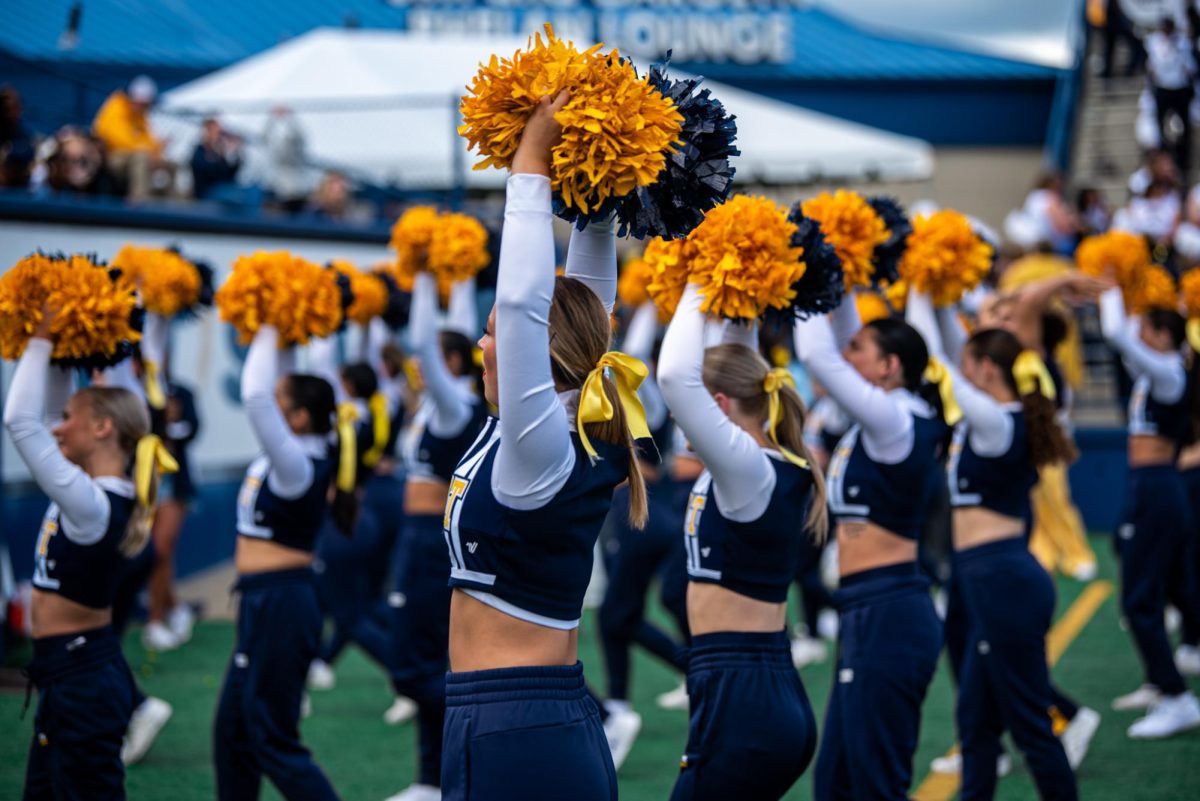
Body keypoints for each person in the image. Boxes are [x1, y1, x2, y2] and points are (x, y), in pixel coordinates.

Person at [439, 91, 647, 801]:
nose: (482, 344)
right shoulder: (554, 427)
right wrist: (597, 194)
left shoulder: (541, 447)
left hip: (513, 724)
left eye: (491, 333)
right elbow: (584, 300)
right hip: (528, 717)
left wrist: (530, 160)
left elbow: (531, 300)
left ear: (538, 353)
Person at [657, 282, 825, 800]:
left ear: (721, 407)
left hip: (744, 693)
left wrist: (694, 279)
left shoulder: (750, 471)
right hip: (749, 684)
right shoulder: (749, 467)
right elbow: (737, 348)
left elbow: (672, 377)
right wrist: (736, 278)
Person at [908, 292, 1079, 800]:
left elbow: (937, 358)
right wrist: (937, 292)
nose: (962, 369)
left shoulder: (997, 421)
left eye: (971, 363)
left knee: (1028, 723)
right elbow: (953, 349)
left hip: (1003, 579)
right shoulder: (992, 413)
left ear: (985, 370)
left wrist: (920, 289)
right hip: (984, 577)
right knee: (976, 723)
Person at [5, 308, 176, 800]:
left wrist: (37, 339)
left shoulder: (93, 505)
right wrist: (62, 350)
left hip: (82, 681)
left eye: (70, 422)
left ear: (102, 428)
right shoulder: (93, 493)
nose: (58, 430)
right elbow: (48, 420)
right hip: (70, 674)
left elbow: (21, 420)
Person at [794, 299, 947, 801]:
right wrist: (839, 281)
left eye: (857, 350)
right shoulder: (878, 417)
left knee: (876, 784)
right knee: (835, 780)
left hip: (890, 611)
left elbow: (817, 354)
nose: (846, 354)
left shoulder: (896, 420)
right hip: (864, 608)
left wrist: (808, 266)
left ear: (890, 366)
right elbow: (837, 339)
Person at [212, 324, 352, 800]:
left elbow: (255, 396)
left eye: (282, 402)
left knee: (271, 738)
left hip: (282, 603)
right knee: (232, 732)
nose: (271, 404)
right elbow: (275, 389)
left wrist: (269, 318)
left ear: (297, 417)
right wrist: (292, 328)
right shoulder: (296, 454)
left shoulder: (298, 464)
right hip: (264, 603)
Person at [1100, 286, 1200, 738]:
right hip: (1150, 485)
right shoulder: (1152, 372)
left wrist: (1112, 289)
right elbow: (1123, 338)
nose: (1138, 335)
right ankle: (1166, 678)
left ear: (1162, 337)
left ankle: (1178, 697)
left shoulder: (1170, 372)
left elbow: (1114, 333)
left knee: (1139, 600)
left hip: (1159, 486)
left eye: (1147, 330)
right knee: (1175, 581)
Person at [597, 299, 689, 766]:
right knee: (620, 618)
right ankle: (620, 703)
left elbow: (630, 361)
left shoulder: (644, 400)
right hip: (636, 512)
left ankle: (618, 708)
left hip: (644, 515)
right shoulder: (631, 402)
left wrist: (649, 303)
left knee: (615, 615)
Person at [92, 75, 179, 202]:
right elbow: (120, 141)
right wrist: (151, 152)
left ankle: (173, 204)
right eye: (144, 104)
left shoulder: (139, 115)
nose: (146, 108)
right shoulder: (115, 107)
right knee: (141, 158)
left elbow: (147, 139)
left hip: (133, 155)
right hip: (112, 156)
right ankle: (139, 202)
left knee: (172, 164)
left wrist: (157, 149)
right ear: (134, 99)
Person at [1146, 17, 1197, 175]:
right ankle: (1164, 157)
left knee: (1184, 126)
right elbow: (1152, 65)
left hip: (1179, 87)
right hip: (1163, 88)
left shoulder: (1182, 43)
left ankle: (1183, 159)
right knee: (1162, 125)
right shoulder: (1154, 43)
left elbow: (1190, 66)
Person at [190, 117, 257, 209]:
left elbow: (231, 175)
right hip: (207, 193)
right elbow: (205, 171)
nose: (216, 135)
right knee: (238, 197)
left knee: (253, 191)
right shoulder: (199, 151)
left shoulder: (220, 152)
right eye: (213, 131)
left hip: (225, 191)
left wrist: (233, 154)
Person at [262, 106, 309, 214]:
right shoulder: (272, 152)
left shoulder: (297, 150)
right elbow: (264, 138)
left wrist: (290, 117)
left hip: (295, 190)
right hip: (277, 189)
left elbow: (300, 136)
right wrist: (271, 118)